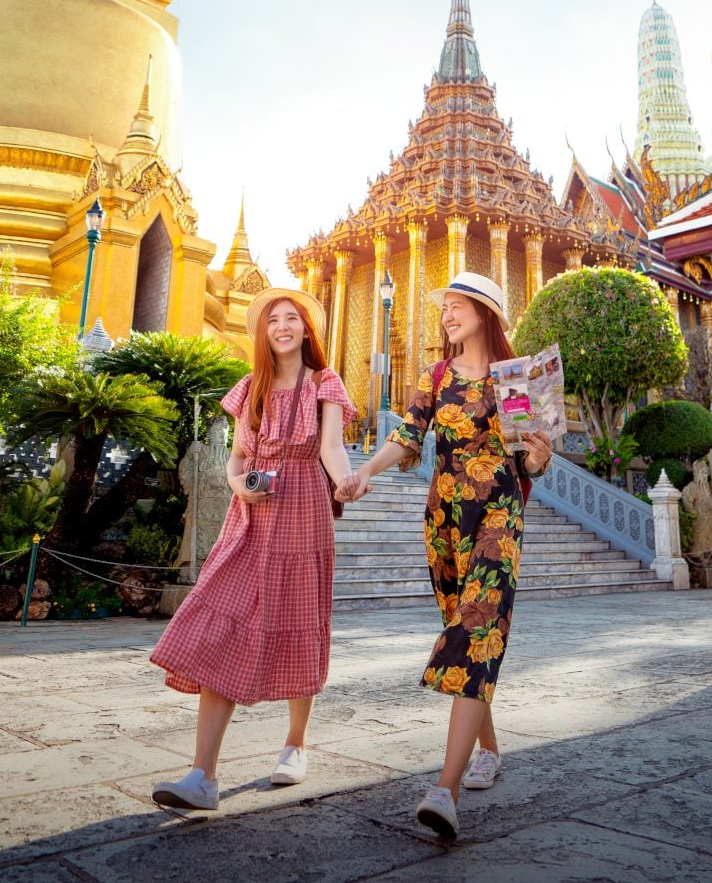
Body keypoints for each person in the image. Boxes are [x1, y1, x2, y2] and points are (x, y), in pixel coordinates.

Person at [341, 271, 554, 840]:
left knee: (478, 628)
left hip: (498, 517)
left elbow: (530, 461)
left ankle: (445, 790)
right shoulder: (435, 377)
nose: (448, 315)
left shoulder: (513, 378)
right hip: (444, 520)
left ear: (486, 313)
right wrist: (362, 471)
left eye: (459, 306)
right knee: (464, 629)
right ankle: (488, 748)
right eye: (446, 308)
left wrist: (537, 456)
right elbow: (407, 436)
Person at [147, 288, 356, 811]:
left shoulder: (324, 383)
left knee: (298, 621)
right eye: (273, 320)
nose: (282, 327)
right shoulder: (251, 388)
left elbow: (330, 448)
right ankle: (203, 775)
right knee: (222, 624)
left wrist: (349, 481)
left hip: (305, 512)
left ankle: (296, 744)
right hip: (251, 520)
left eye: (292, 319)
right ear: (262, 332)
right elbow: (237, 458)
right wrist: (240, 485)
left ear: (308, 330)